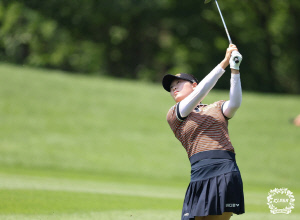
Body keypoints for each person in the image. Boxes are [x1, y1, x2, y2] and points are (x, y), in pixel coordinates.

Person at [162, 44, 245, 220]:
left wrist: (235, 69)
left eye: (178, 83)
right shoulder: (174, 113)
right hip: (200, 172)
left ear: (193, 85)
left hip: (226, 168)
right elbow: (200, 92)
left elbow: (235, 103)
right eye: (171, 88)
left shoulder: (216, 106)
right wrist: (224, 62)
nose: (174, 88)